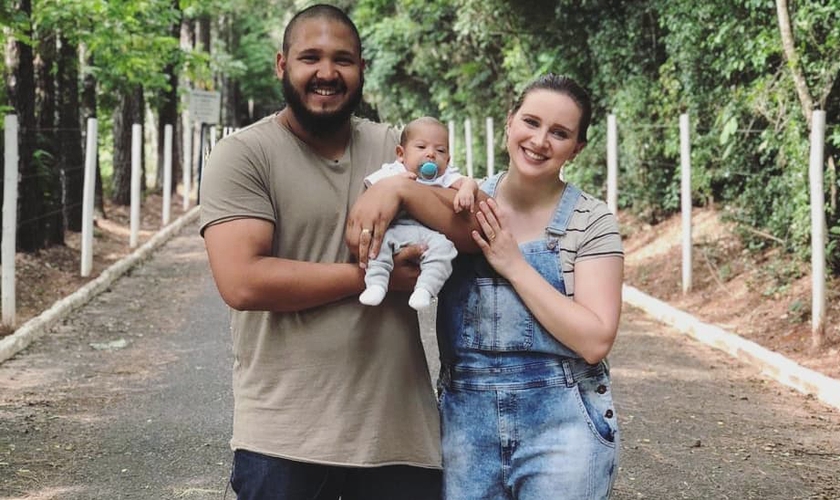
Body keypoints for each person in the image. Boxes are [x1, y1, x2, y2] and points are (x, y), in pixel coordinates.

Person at [199, 4, 442, 499]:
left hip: (398, 437)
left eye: (343, 60)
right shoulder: (244, 154)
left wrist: (400, 191)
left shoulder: (396, 149)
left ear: (361, 70)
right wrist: (372, 277)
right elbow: (243, 282)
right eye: (310, 57)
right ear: (282, 64)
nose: (327, 73)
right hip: (283, 440)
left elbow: (470, 229)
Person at [348, 74, 624, 499]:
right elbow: (386, 235)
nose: (540, 141)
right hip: (465, 427)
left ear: (578, 147)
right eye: (531, 122)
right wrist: (393, 188)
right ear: (510, 122)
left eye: (560, 133)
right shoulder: (458, 203)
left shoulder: (591, 220)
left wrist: (514, 265)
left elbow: (594, 339)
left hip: (565, 426)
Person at [359, 116, 478, 310]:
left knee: (446, 249)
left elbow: (468, 181)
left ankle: (425, 289)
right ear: (401, 154)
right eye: (421, 147)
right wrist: (394, 184)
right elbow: (373, 191)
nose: (431, 154)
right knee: (378, 248)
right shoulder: (393, 171)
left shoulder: (445, 176)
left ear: (447, 160)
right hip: (396, 230)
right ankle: (376, 284)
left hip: (429, 234)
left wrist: (466, 190)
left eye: (440, 151)